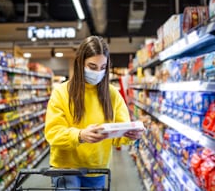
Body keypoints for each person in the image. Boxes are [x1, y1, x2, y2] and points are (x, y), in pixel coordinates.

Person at [44, 35, 144, 190]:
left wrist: (130, 136)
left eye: (103, 67)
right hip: (65, 168)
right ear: (79, 63)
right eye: (92, 67)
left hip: (96, 168)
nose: (98, 72)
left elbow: (119, 136)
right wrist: (80, 135)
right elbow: (53, 133)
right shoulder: (61, 93)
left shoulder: (112, 95)